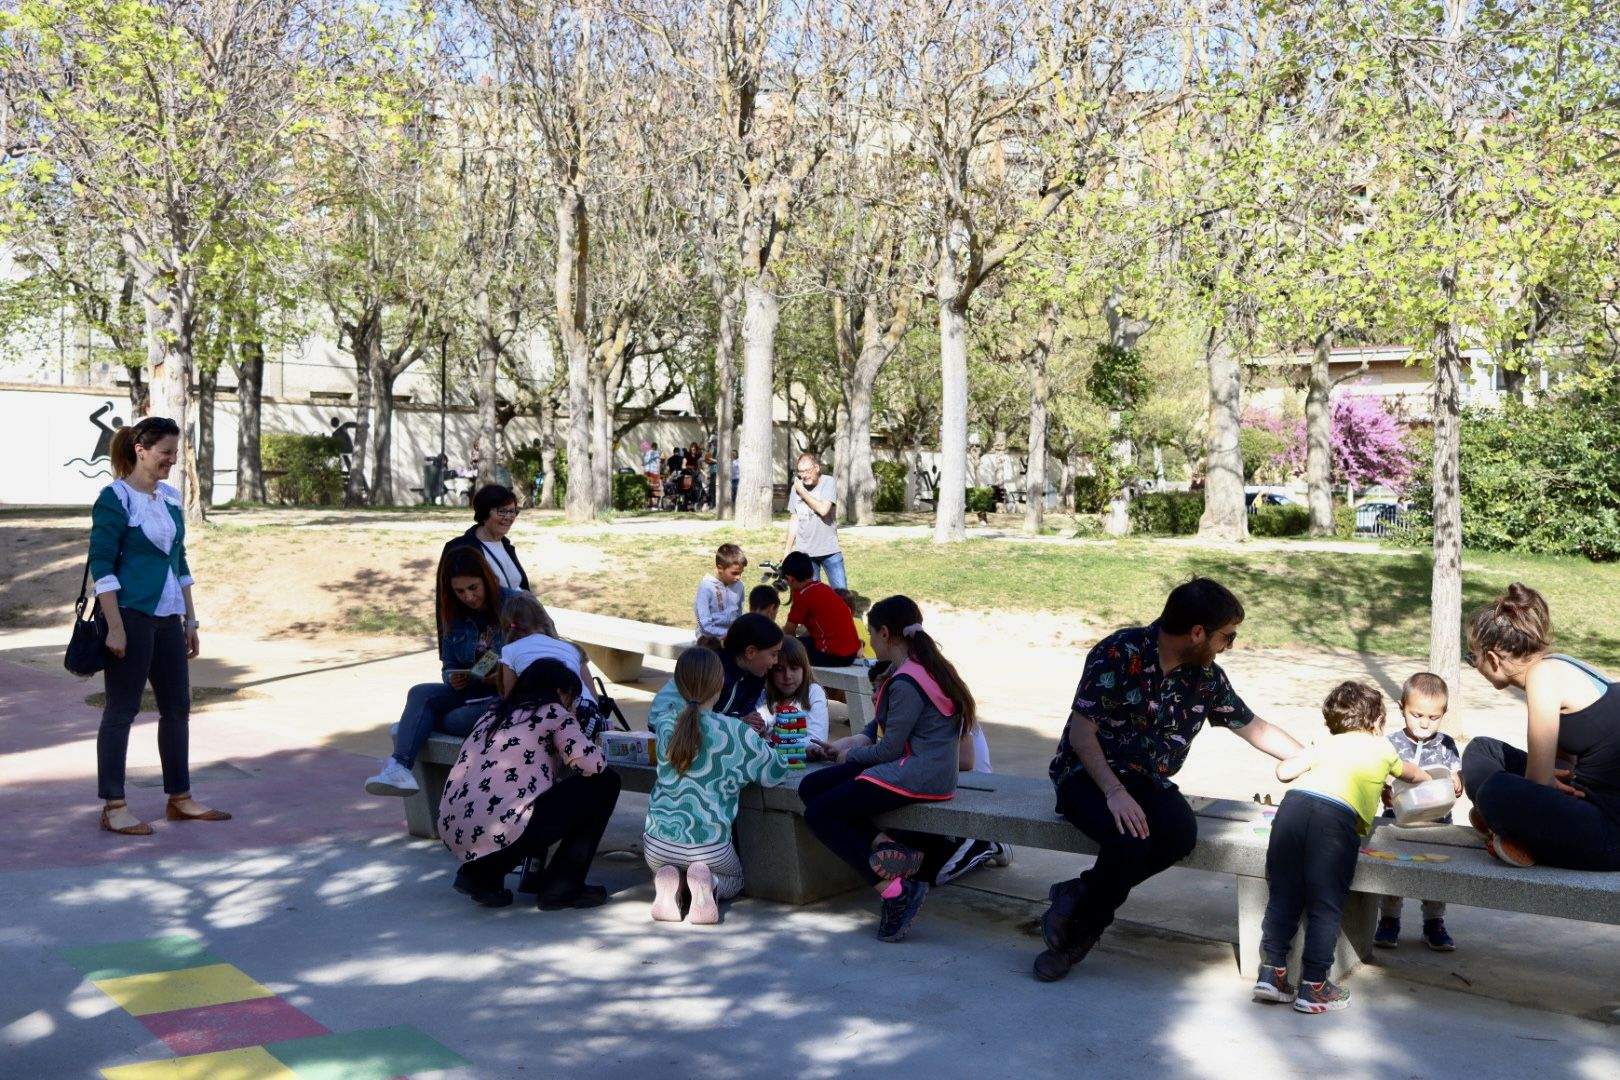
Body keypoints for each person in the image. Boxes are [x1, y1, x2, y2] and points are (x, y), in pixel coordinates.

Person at [1036, 578, 1304, 983]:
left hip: (1148, 780)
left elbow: (1254, 727)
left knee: (1180, 834)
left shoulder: (1206, 677)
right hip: (1087, 775)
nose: (1228, 646)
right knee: (1128, 839)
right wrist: (1114, 792)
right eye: (1225, 637)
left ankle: (1078, 894)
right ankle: (1078, 936)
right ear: (1198, 633)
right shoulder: (1118, 652)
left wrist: (1315, 759)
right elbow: (1081, 731)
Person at [800, 596, 973, 943]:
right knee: (811, 788)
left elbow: (891, 749)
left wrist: (850, 758)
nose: (869, 643)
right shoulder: (921, 667)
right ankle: (888, 848)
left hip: (917, 774)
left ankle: (895, 890)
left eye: (871, 635)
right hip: (919, 768)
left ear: (885, 633)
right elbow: (879, 735)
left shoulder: (908, 681)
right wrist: (850, 751)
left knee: (819, 814)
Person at [89, 416, 230, 834]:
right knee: (122, 710)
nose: (171, 459)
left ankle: (179, 799)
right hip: (130, 616)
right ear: (141, 449)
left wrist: (191, 618)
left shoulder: (169, 499)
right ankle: (114, 805)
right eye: (165, 452)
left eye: (173, 452)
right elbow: (102, 565)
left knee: (177, 709)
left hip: (169, 617)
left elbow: (180, 562)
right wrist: (114, 626)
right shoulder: (115, 498)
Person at [1252, 682, 1429, 1014]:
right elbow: (1413, 774)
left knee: (1283, 897)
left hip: (1291, 813)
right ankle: (1314, 985)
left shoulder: (1325, 743)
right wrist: (1432, 780)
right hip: (1334, 824)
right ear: (1377, 721)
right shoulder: (1383, 748)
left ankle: (1272, 972)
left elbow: (1283, 770)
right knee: (1325, 905)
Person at [1461, 583, 1620, 871]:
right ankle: (1509, 830)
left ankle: (1510, 830)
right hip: (1591, 804)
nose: (1474, 665)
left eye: (1473, 658)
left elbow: (1538, 780)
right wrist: (1552, 782)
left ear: (1494, 659)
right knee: (1482, 748)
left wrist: (1545, 783)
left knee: (1494, 790)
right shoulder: (1560, 666)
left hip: (1609, 833)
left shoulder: (1542, 677)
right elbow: (1563, 767)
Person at [440, 660, 620, 910]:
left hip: (454, 827)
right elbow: (592, 765)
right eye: (573, 699)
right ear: (560, 692)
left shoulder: (493, 713)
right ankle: (562, 886)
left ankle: (480, 874)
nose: (573, 706)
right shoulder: (554, 712)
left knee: (517, 804)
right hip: (503, 826)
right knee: (606, 782)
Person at [645, 649, 789, 923]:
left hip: (656, 844)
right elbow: (774, 772)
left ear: (678, 683)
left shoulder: (665, 725)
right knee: (734, 878)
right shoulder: (736, 731)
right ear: (721, 682)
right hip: (709, 846)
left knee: (668, 862)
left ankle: (668, 881)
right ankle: (708, 883)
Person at [366, 549, 515, 796]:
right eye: (459, 591)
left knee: (451, 719)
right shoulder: (454, 615)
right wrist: (452, 677)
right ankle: (398, 769)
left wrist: (495, 675)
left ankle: (413, 726)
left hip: (504, 695)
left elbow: (533, 656)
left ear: (487, 579)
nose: (468, 596)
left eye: (473, 587)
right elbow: (448, 665)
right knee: (420, 693)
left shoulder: (514, 604)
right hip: (469, 690)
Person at [1374, 673, 1463, 951]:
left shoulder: (1446, 744)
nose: (1425, 723)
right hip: (1397, 823)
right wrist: (1383, 791)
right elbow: (1378, 777)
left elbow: (1456, 776)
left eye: (1433, 717)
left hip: (1437, 824)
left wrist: (1458, 781)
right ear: (1402, 707)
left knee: (1434, 875)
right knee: (1393, 872)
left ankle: (1434, 923)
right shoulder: (1391, 743)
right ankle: (1389, 921)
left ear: (1443, 713)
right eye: (1417, 714)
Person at [495, 593, 601, 734]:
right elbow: (592, 695)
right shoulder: (572, 648)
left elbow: (511, 698)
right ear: (545, 619)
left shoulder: (509, 650)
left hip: (543, 717)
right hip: (586, 714)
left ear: (508, 627)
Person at [440, 484, 529, 594]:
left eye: (512, 511)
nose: (508, 517)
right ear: (484, 513)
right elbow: (446, 597)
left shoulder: (506, 545)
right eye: (502, 511)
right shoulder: (458, 549)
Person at [780, 551, 861, 667]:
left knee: (782, 650)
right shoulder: (822, 587)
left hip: (835, 656)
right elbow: (816, 629)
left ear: (790, 579)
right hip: (851, 653)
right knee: (800, 643)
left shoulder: (803, 595)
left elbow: (788, 631)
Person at [784, 453, 845, 590]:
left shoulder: (828, 482)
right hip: (805, 554)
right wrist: (787, 550)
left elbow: (824, 510)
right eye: (800, 472)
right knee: (811, 595)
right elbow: (794, 519)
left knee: (841, 594)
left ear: (817, 468)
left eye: (807, 470)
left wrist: (802, 492)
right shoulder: (796, 488)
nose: (803, 475)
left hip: (829, 550)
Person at [710, 614, 784, 723]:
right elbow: (700, 714)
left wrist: (755, 724)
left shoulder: (756, 677)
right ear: (750, 652)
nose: (776, 661)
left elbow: (746, 711)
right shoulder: (712, 669)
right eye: (773, 654)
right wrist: (739, 720)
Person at [767, 637, 830, 743]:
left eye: (794, 668)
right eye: (779, 669)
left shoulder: (813, 692)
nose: (787, 676)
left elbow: (817, 740)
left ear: (804, 669)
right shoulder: (764, 693)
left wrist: (779, 743)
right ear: (770, 671)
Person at [695, 543, 748, 648]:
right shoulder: (706, 587)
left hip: (731, 638)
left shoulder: (739, 586)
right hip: (708, 640)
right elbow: (705, 625)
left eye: (741, 573)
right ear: (720, 568)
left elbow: (738, 613)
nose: (738, 577)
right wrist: (727, 634)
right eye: (735, 573)